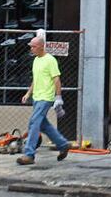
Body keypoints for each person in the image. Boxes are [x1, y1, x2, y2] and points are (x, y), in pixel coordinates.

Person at [16, 30, 70, 165]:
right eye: (31, 46)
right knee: (43, 125)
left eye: (33, 46)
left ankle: (29, 154)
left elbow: (57, 79)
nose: (31, 49)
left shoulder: (50, 60)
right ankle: (63, 144)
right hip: (37, 97)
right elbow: (36, 79)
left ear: (41, 46)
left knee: (34, 123)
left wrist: (58, 97)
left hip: (46, 98)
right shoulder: (36, 60)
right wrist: (28, 93)